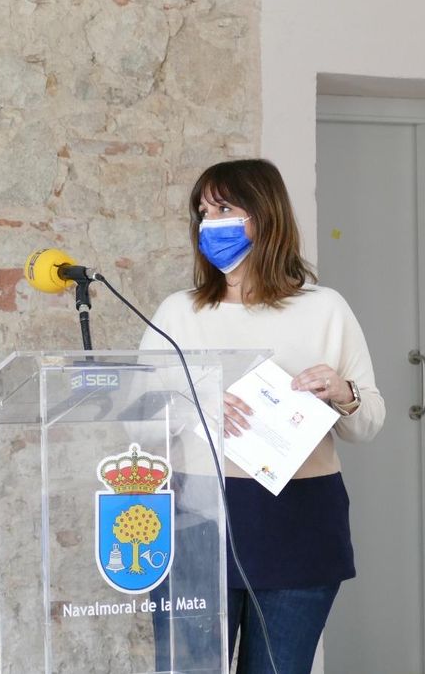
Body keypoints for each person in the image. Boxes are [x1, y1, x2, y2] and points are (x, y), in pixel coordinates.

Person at [139, 159, 384, 673]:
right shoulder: (178, 313)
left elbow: (368, 424)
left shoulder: (325, 309)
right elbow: (139, 421)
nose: (210, 222)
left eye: (225, 207)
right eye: (203, 211)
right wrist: (193, 405)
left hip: (300, 519)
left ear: (266, 215)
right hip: (196, 518)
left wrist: (344, 392)